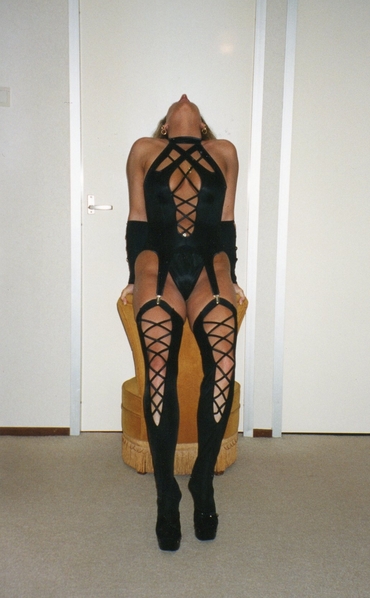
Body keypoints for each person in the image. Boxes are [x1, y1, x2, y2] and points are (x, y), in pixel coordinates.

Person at [120, 94, 245, 551]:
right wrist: (132, 276)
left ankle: (202, 485)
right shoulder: (143, 148)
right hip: (158, 262)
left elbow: (227, 220)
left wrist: (234, 275)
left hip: (210, 264)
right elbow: (138, 217)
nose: (184, 97)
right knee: (159, 371)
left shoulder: (225, 151)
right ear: (166, 126)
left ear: (202, 125)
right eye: (174, 102)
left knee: (224, 365)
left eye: (191, 101)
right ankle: (166, 497)